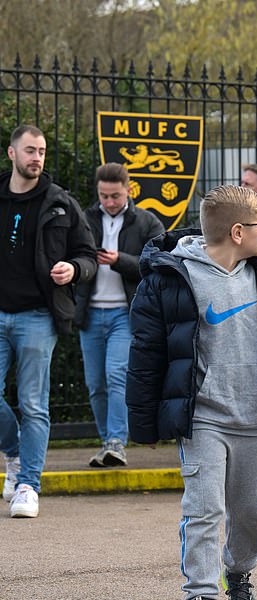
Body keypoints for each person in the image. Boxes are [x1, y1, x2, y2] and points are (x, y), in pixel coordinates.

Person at [125, 185, 257, 600]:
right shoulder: (169, 280)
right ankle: (200, 597)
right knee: (205, 509)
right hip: (203, 419)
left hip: (254, 420)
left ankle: (240, 572)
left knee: (251, 512)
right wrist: (143, 421)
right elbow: (145, 353)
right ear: (237, 232)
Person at [1, 124, 97, 519]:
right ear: (12, 154)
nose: (36, 157)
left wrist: (73, 269)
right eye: (29, 150)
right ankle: (14, 453)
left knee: (33, 404)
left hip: (39, 317)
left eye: (40, 151)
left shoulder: (61, 203)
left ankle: (28, 484)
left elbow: (88, 256)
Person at [75, 163, 165, 469]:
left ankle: (115, 441)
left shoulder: (146, 221)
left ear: (128, 189)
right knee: (95, 383)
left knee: (116, 376)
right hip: (89, 312)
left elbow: (159, 262)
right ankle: (107, 443)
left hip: (125, 313)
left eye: (115, 195)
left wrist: (120, 261)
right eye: (104, 196)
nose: (109, 202)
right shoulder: (85, 219)